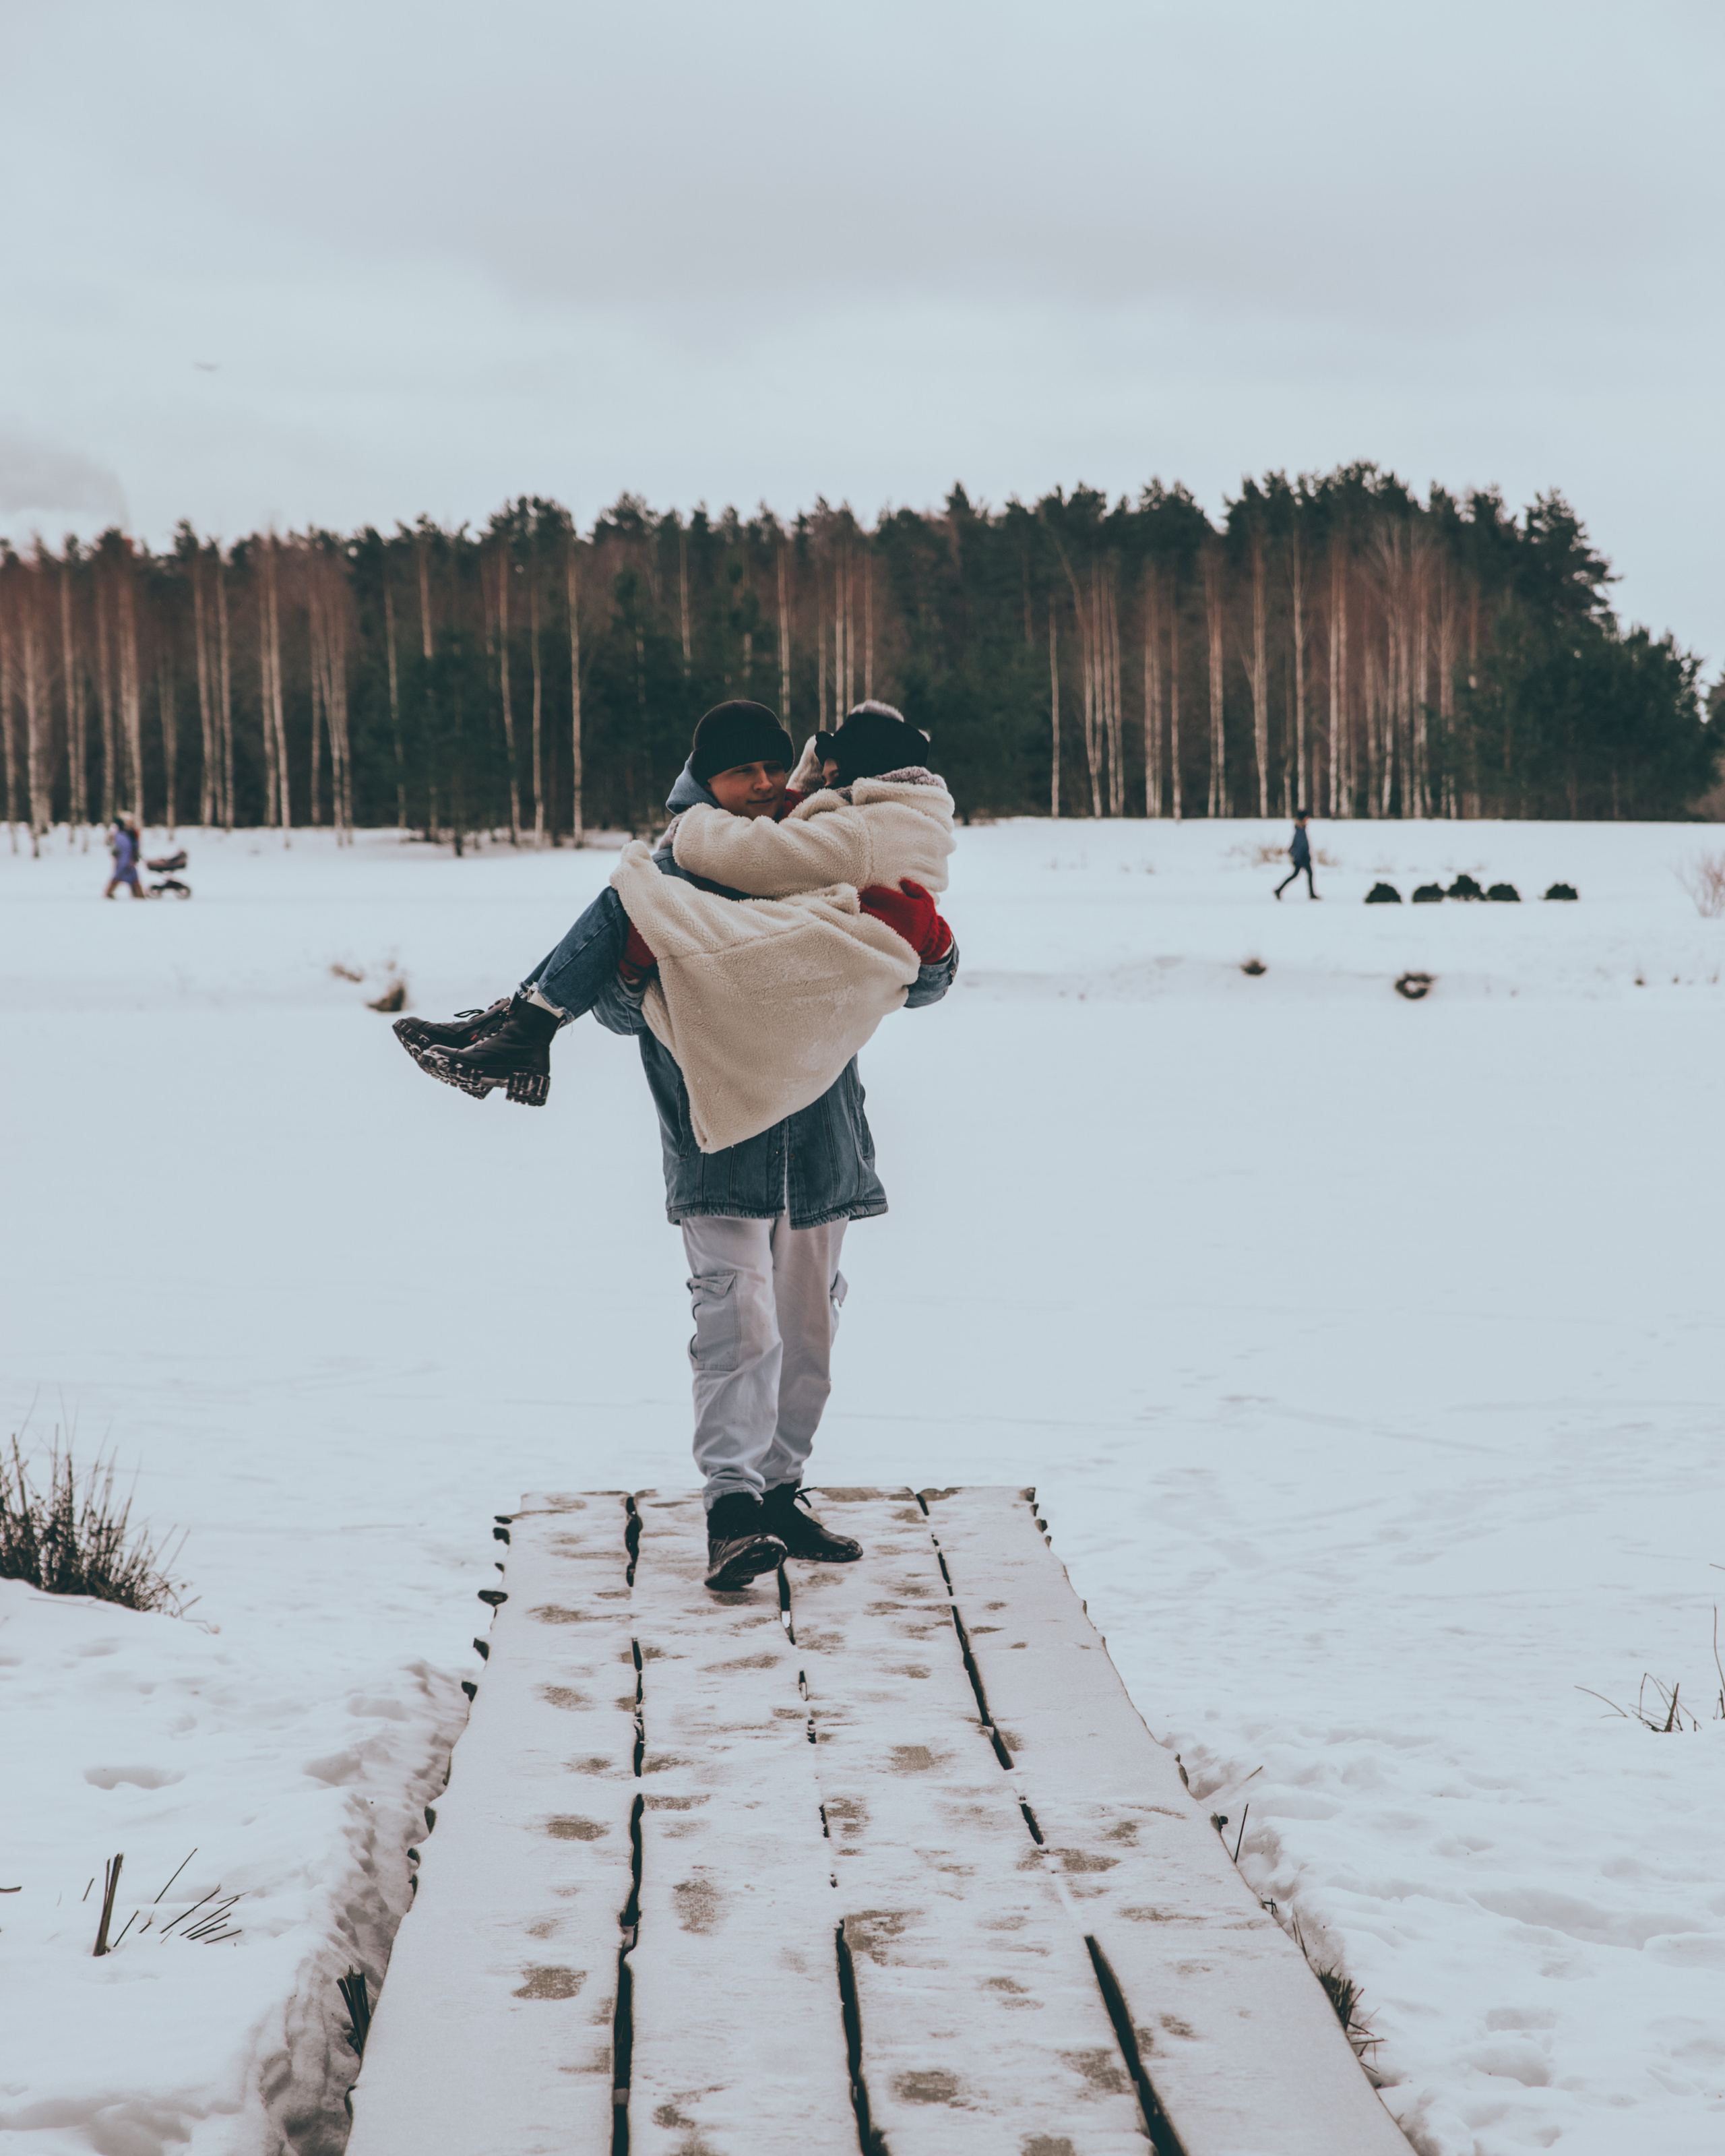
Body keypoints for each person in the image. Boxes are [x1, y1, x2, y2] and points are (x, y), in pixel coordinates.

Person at [398, 699, 958, 1594]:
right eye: (743, 773)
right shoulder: (675, 871)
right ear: (706, 781)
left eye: (777, 768)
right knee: (740, 1320)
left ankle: (780, 1490)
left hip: (819, 1141)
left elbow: (906, 980)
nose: (765, 786)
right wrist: (626, 975)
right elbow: (627, 1012)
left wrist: (932, 949)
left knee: (810, 1325)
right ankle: (731, 1507)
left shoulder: (822, 846)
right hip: (717, 1138)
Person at [1274, 810, 1319, 900]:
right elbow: (1298, 846)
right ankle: (1312, 894)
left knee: (1296, 875)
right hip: (1301, 857)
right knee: (1308, 873)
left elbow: (1297, 844)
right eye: (1306, 817)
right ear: (1303, 818)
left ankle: (1279, 890)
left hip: (1302, 856)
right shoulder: (1300, 829)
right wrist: (1297, 859)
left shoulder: (1301, 828)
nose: (1308, 819)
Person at [104, 815, 144, 899]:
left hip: (129, 860)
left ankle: (138, 894)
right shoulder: (120, 835)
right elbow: (123, 848)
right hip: (124, 860)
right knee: (120, 875)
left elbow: (135, 846)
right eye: (128, 824)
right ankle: (109, 892)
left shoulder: (131, 834)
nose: (130, 825)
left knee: (133, 877)